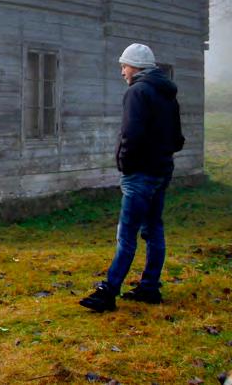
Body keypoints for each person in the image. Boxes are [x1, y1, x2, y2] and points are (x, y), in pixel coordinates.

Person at [80, 43, 184, 313]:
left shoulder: (137, 92)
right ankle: (150, 287)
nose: (122, 71)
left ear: (135, 67)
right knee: (153, 230)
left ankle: (108, 291)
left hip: (139, 174)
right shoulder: (167, 94)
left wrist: (125, 164)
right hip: (162, 171)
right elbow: (178, 139)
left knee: (126, 236)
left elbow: (131, 134)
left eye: (124, 66)